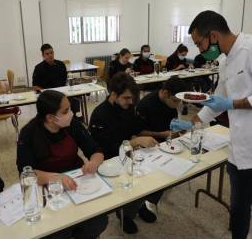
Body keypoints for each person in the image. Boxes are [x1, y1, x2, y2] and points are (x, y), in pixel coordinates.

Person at [171, 10, 252, 239]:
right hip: (241, 151)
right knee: (238, 212)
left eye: (199, 44)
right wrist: (189, 124)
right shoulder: (225, 62)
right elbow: (216, 104)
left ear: (213, 35)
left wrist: (234, 103)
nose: (199, 50)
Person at [17, 90, 107, 239]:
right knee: (58, 231)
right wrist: (56, 178)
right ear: (50, 117)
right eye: (65, 111)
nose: (71, 113)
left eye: (70, 108)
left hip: (78, 182)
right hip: (48, 189)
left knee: (99, 222)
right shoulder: (28, 134)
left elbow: (96, 151)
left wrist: (93, 163)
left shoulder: (74, 125)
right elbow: (26, 172)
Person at [90, 72, 161, 234]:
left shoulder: (127, 107)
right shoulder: (99, 115)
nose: (130, 102)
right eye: (127, 98)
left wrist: (136, 139)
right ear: (113, 94)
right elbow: (106, 150)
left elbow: (133, 128)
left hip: (129, 154)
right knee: (133, 177)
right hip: (108, 162)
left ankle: (139, 203)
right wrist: (134, 143)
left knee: (158, 175)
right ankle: (126, 214)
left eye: (132, 98)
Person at [32, 43, 80, 116]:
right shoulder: (38, 68)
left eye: (51, 53)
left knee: (75, 90)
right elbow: (35, 86)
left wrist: (67, 87)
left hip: (62, 92)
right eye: (47, 54)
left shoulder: (61, 64)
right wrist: (45, 93)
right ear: (43, 55)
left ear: (53, 53)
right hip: (48, 94)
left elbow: (65, 80)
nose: (50, 55)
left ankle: (73, 115)